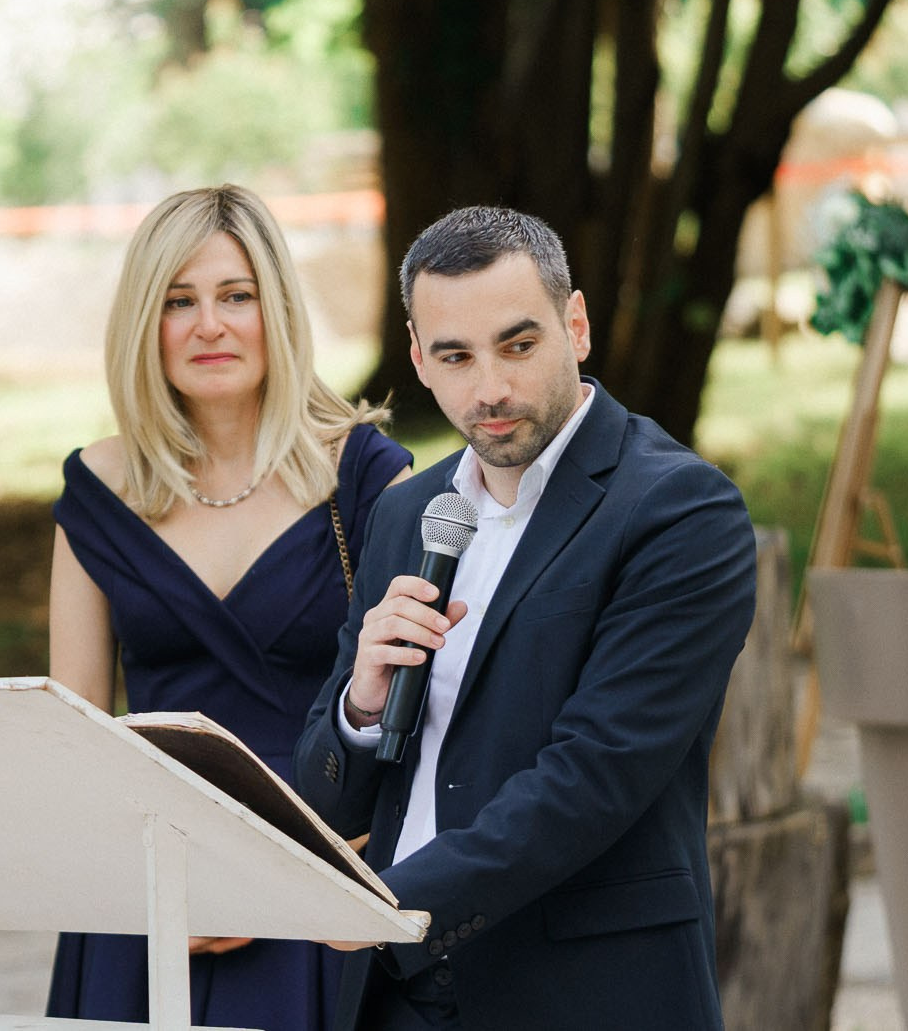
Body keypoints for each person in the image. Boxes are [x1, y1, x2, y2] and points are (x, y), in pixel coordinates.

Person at [293, 206, 757, 1031]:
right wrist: (359, 706)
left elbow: (595, 775)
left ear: (574, 324)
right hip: (394, 1000)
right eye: (455, 357)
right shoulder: (408, 516)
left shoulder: (679, 510)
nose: (490, 388)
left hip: (583, 993)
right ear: (417, 359)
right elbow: (335, 801)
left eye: (518, 344)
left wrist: (390, 906)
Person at [46, 184, 413, 1031]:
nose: (209, 324)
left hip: (323, 889)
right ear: (146, 322)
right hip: (144, 893)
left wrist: (293, 872)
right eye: (179, 301)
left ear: (275, 308)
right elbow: (73, 739)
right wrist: (154, 887)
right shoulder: (97, 493)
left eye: (235, 295)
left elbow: (423, 720)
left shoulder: (366, 477)